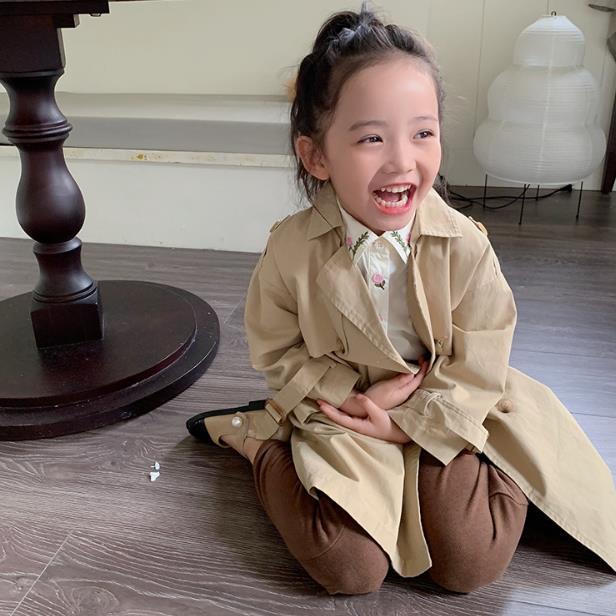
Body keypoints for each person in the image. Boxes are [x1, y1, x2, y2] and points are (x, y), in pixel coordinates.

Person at [187, 2, 616, 596]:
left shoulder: (465, 244)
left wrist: (409, 422)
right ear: (316, 156)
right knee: (349, 569)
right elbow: (276, 348)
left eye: (423, 133)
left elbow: (481, 356)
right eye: (371, 137)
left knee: (469, 563)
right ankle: (258, 448)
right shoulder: (290, 249)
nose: (402, 161)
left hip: (446, 401)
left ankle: (500, 464)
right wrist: (356, 401)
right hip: (341, 409)